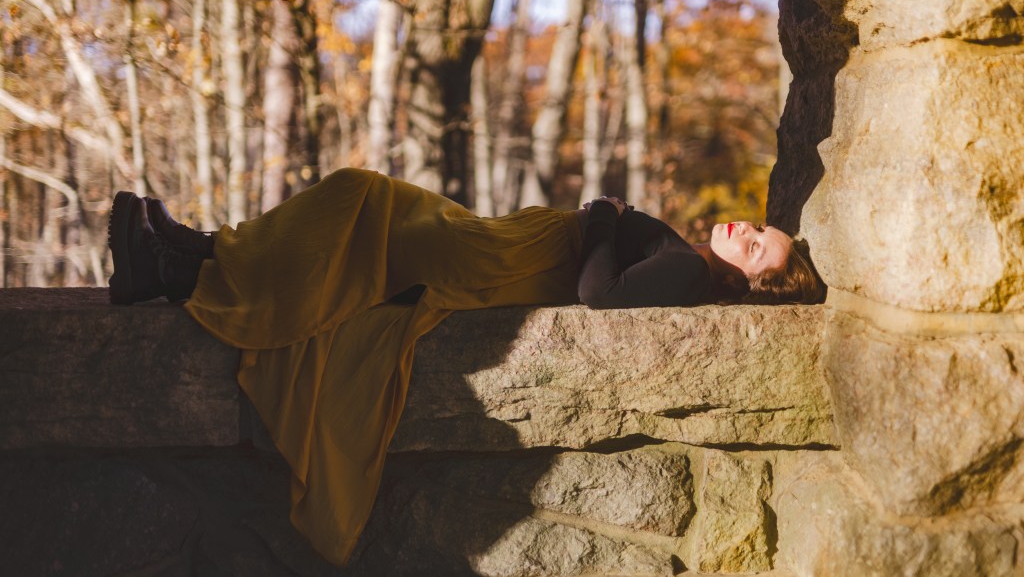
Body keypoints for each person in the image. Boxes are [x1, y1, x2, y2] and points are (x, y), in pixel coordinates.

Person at [106, 168, 824, 565]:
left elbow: (599, 295)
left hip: (500, 260)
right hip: (504, 242)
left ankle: (185, 266)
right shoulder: (691, 261)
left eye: (755, 247)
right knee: (361, 206)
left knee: (359, 200)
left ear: (743, 285)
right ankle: (195, 256)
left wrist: (603, 213)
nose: (746, 229)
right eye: (760, 228)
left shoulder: (692, 276)